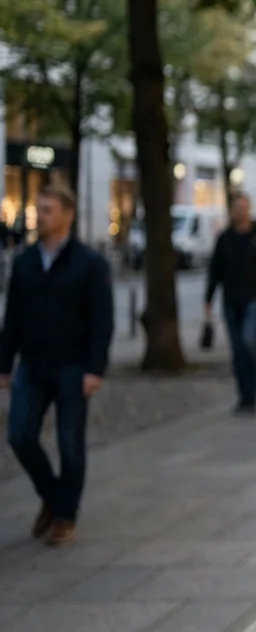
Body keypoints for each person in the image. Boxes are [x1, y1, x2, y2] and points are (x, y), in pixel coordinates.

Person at [0, 184, 114, 547]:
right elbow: (13, 317)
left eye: (48, 210)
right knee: (19, 434)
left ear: (68, 215)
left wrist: (94, 368)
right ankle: (52, 494)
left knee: (70, 443)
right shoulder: (25, 262)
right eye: (39, 209)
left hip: (72, 365)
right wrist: (4, 364)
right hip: (32, 364)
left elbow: (102, 320)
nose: (40, 215)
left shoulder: (89, 264)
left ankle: (65, 517)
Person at [205, 192, 256, 415]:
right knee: (238, 349)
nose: (240, 211)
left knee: (248, 342)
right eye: (236, 207)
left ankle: (252, 393)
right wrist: (208, 299)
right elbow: (215, 270)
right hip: (231, 300)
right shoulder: (225, 238)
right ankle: (244, 396)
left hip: (254, 298)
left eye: (244, 207)